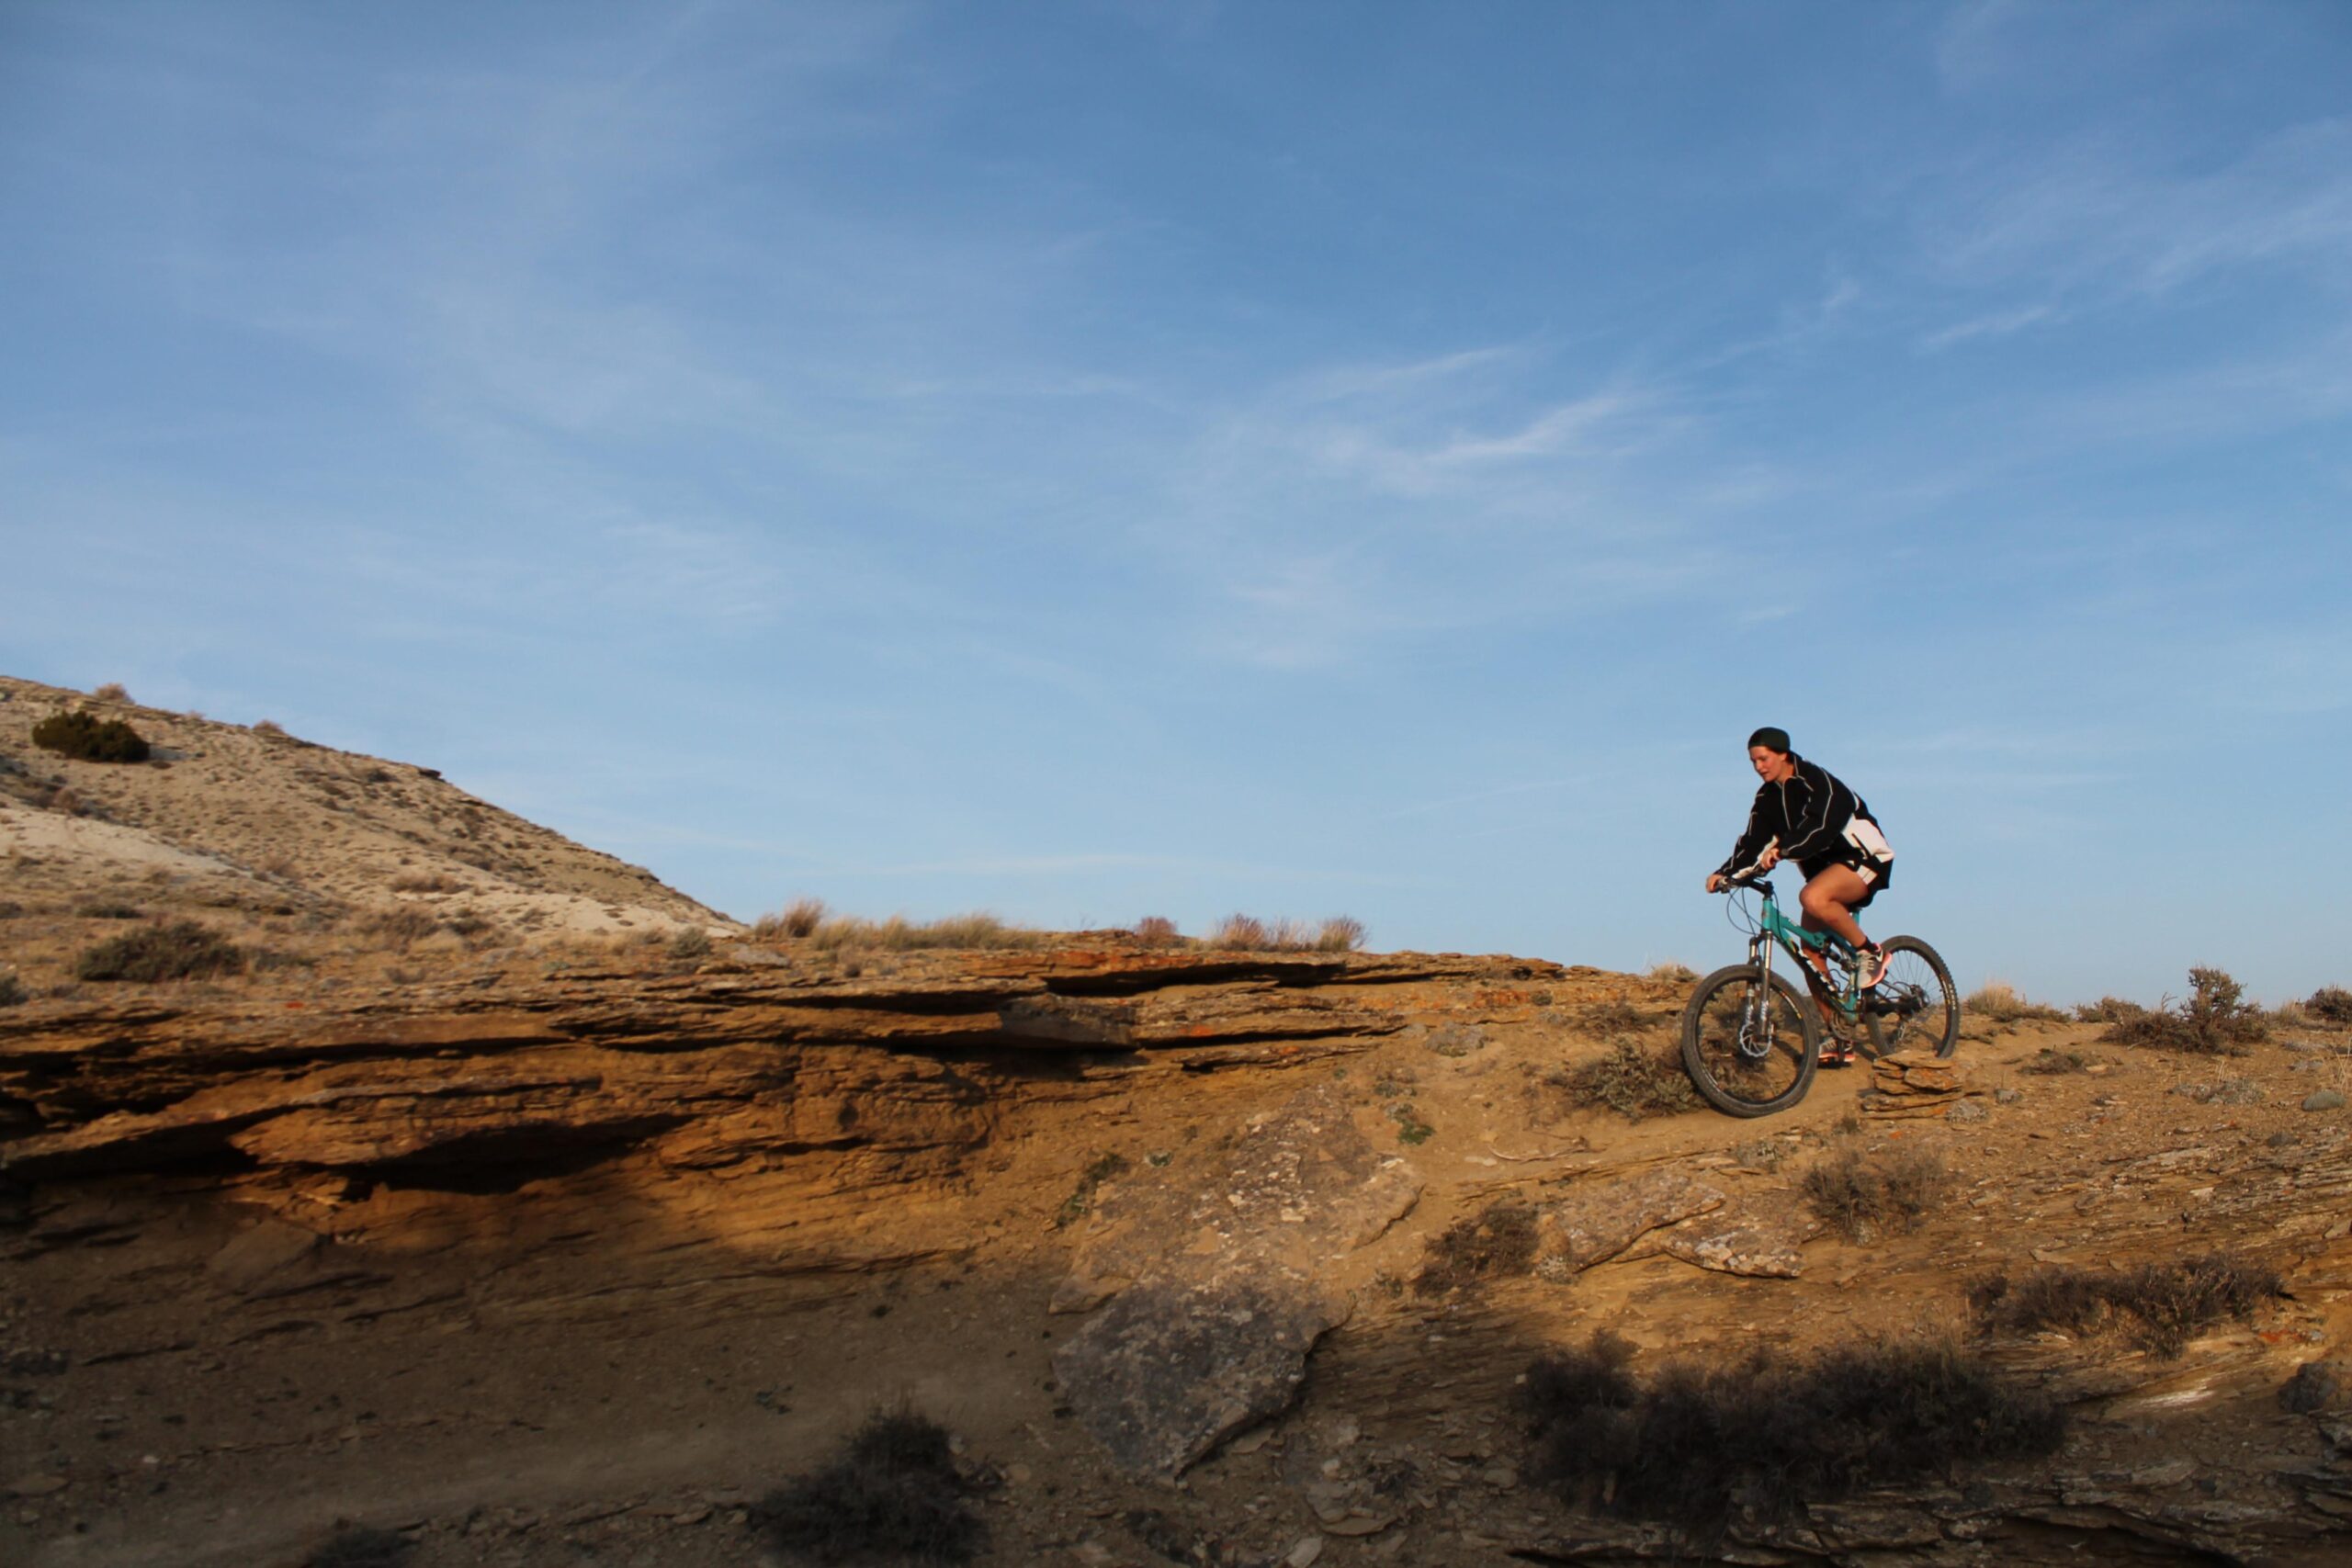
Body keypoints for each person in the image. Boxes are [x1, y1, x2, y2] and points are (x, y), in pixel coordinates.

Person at [1702, 727, 1895, 1064]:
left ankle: (1870, 953)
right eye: (1753, 761)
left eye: (1763, 758)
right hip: (1823, 874)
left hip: (1863, 860)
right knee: (1809, 951)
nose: (1759, 766)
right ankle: (1841, 1039)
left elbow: (1823, 827)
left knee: (1812, 898)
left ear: (1783, 754)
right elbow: (1752, 842)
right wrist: (1726, 873)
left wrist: (1785, 848)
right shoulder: (1766, 798)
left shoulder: (1817, 781)